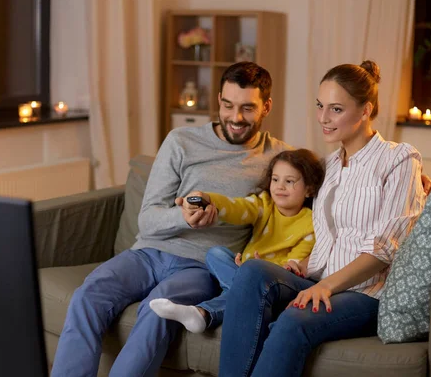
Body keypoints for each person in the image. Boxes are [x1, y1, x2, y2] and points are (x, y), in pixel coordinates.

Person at [50, 61, 291, 377]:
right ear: (218, 99)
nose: (235, 117)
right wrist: (184, 217)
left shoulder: (278, 159)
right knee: (87, 296)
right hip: (148, 253)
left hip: (201, 265)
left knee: (158, 309)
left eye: (247, 108)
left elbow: (294, 211)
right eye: (228, 105)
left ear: (266, 107)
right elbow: (147, 220)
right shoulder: (182, 142)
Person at [218, 60, 428, 377]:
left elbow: (385, 248)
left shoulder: (399, 159)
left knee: (294, 318)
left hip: (366, 294)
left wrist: (327, 286)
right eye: (320, 106)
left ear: (365, 110)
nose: (323, 119)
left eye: (336, 109)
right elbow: (328, 238)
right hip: (318, 280)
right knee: (251, 272)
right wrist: (301, 267)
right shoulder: (327, 166)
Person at [149, 149, 326, 333]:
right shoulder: (264, 204)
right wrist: (207, 199)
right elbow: (237, 208)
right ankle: (211, 311)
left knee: (248, 283)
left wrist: (261, 267)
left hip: (272, 281)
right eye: (275, 179)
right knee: (215, 253)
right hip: (243, 271)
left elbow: (293, 266)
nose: (279, 186)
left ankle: (204, 312)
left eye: (289, 181)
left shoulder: (310, 224)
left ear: (309, 189)